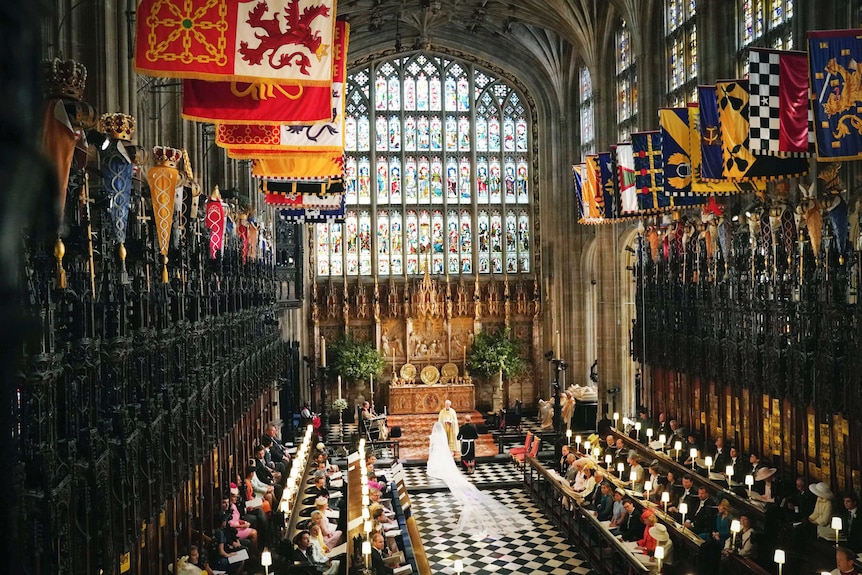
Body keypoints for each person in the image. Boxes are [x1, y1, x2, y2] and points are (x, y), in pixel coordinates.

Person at [426, 421, 531, 537]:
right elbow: (476, 436)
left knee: (465, 456)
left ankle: (467, 468)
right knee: (471, 457)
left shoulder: (447, 433)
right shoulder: (472, 427)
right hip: (471, 444)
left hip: (465, 444)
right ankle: (472, 468)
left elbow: (457, 437)